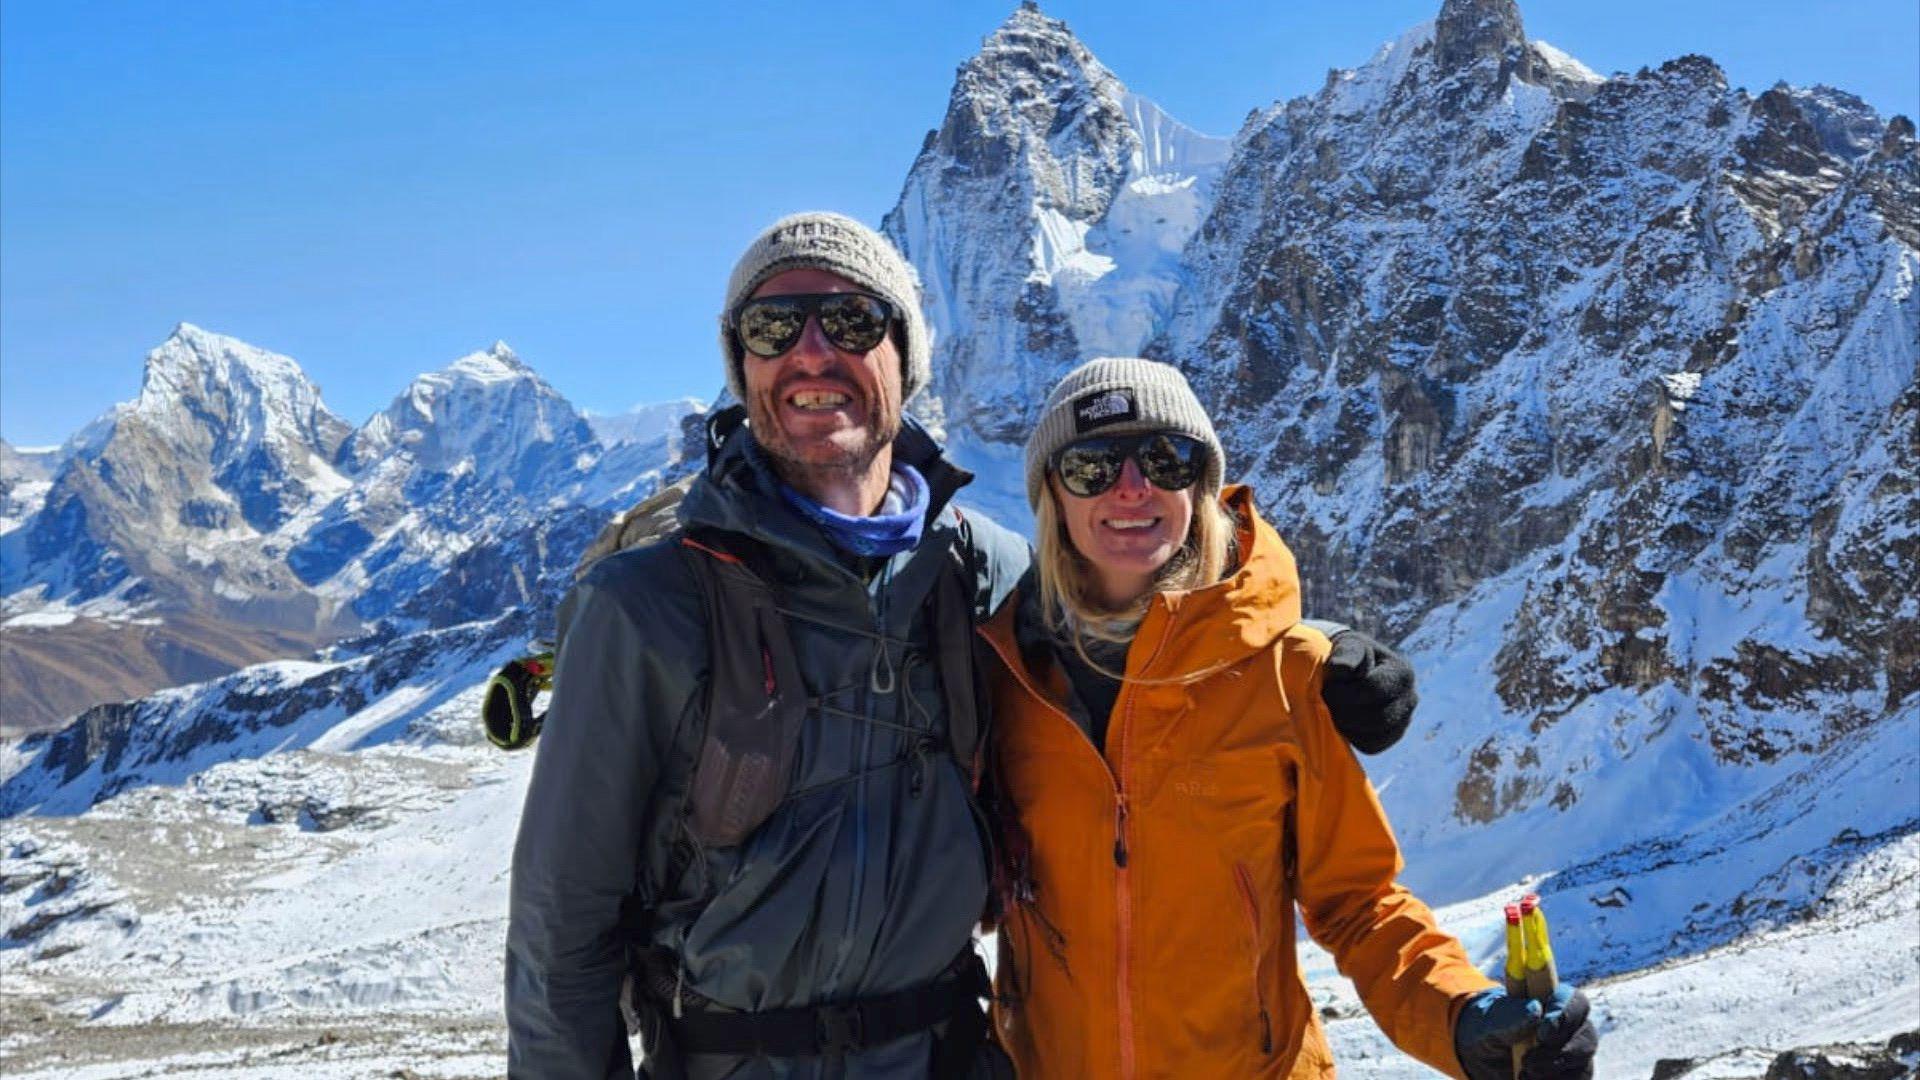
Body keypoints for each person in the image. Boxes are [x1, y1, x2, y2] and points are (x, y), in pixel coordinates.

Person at [505, 214, 1422, 1079]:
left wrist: (1319, 647)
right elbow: (563, 929)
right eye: (775, 324)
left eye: (853, 319)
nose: (812, 351)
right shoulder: (645, 605)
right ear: (741, 366)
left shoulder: (974, 570)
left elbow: (1139, 620)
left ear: (905, 358)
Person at [980, 357, 1600, 1080]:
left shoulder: (1285, 675)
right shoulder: (1004, 673)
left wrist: (1459, 1017)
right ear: (1050, 493)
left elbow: (1358, 903)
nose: (1132, 486)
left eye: (1165, 458)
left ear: (1204, 487)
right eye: (1091, 464)